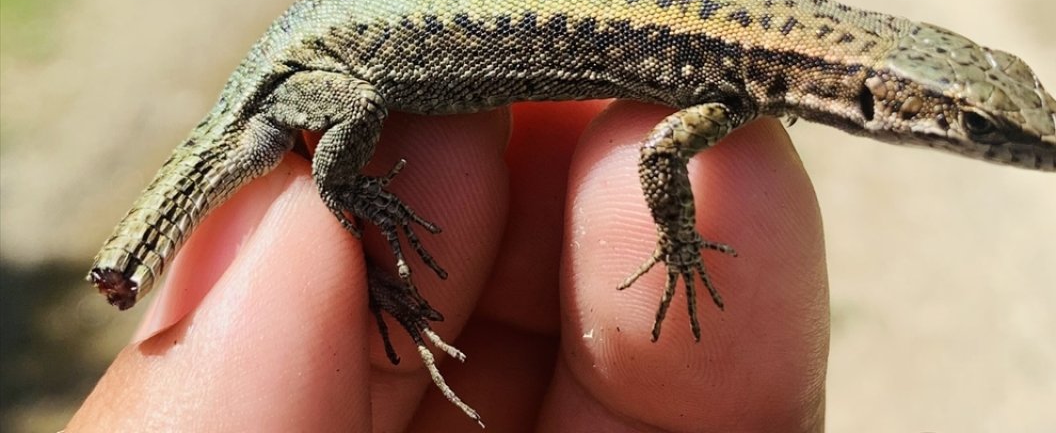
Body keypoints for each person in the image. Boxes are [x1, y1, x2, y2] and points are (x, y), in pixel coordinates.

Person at [69, 101, 830, 431]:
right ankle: (336, 191)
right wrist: (680, 245)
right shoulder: (737, 90)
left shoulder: (742, 85)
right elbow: (661, 151)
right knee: (348, 145)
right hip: (332, 63)